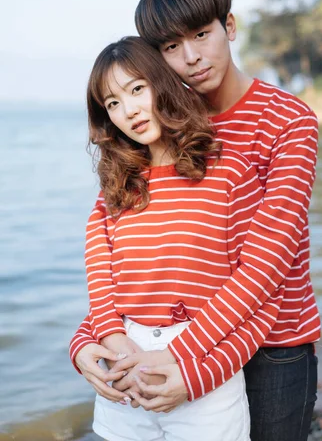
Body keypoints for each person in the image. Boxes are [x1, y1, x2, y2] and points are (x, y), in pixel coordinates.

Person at [70, 0, 320, 441]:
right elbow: (136, 259)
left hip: (273, 341)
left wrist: (188, 359)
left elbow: (268, 262)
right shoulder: (160, 124)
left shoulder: (288, 120)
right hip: (175, 345)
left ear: (229, 25)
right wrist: (89, 339)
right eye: (170, 47)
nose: (191, 58)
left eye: (202, 35)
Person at [79, 34, 274, 441]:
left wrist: (196, 374)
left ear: (162, 83)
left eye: (136, 90)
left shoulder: (228, 173)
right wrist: (99, 348)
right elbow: (103, 297)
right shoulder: (114, 193)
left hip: (204, 375)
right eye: (112, 103)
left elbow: (258, 297)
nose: (128, 110)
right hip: (125, 377)